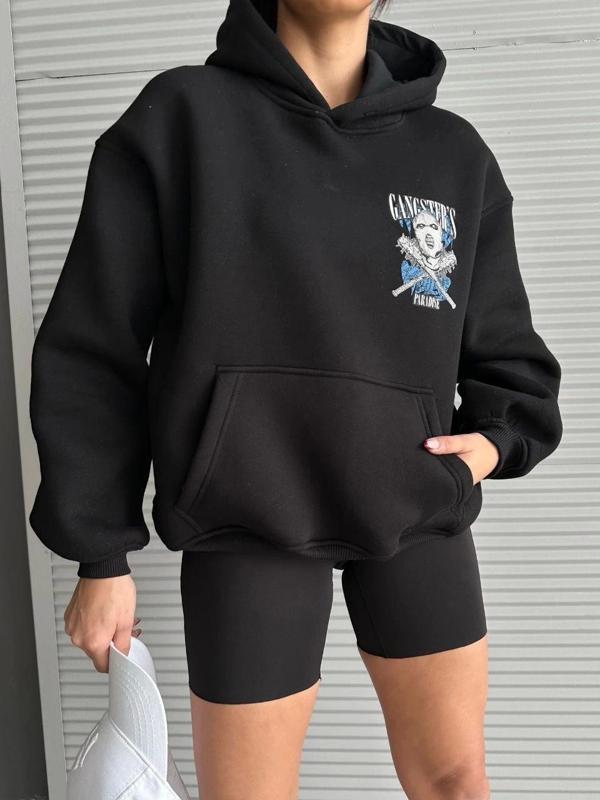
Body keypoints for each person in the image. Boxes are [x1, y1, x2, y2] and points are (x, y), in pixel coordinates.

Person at [28, 0, 563, 797]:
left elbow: (510, 357)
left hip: (416, 514)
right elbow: (93, 345)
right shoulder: (182, 119)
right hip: (248, 517)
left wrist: (493, 441)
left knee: (456, 782)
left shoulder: (454, 155)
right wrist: (100, 553)